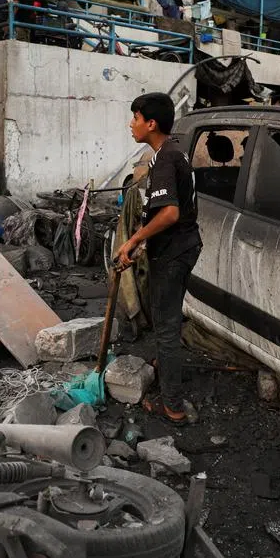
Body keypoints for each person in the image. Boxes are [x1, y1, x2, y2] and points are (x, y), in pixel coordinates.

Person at [114, 93, 202, 425]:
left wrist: (135, 239)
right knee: (166, 318)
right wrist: (138, 244)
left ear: (151, 123)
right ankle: (165, 368)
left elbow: (169, 213)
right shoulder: (169, 153)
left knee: (166, 327)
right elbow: (159, 213)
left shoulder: (166, 159)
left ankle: (173, 408)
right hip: (179, 246)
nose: (131, 124)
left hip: (175, 251)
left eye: (135, 117)